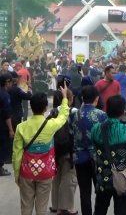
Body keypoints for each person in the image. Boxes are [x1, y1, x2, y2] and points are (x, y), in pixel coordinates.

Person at [12, 86, 69, 215]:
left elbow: (17, 154)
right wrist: (65, 98)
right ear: (45, 108)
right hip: (45, 171)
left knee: (26, 206)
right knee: (42, 207)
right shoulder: (51, 125)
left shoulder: (21, 127)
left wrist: (17, 174)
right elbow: (63, 116)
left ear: (31, 107)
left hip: (26, 172)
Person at [91, 95, 126, 215]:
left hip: (102, 179)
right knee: (122, 211)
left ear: (107, 109)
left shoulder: (96, 129)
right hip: (123, 179)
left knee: (100, 210)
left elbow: (93, 147)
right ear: (123, 111)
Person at [71, 85, 107, 215]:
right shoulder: (101, 115)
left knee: (84, 192)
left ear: (82, 98)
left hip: (79, 158)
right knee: (100, 190)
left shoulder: (74, 114)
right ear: (96, 99)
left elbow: (72, 134)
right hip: (97, 158)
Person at [49, 89, 78, 215]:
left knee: (56, 177)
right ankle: (65, 207)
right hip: (69, 151)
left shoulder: (54, 111)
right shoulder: (74, 112)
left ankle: (55, 205)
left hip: (55, 150)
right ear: (71, 99)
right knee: (68, 177)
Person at [0, 73, 14, 176]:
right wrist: (10, 129)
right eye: (11, 82)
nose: (12, 84)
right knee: (3, 146)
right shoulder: (5, 95)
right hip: (2, 125)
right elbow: (7, 114)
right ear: (6, 82)